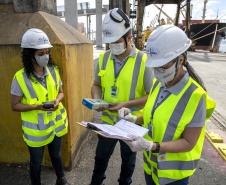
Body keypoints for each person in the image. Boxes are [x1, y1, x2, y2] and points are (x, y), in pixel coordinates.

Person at [118, 25, 216, 185]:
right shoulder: (159, 84)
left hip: (173, 177)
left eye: (162, 66)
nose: (157, 72)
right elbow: (155, 117)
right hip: (151, 168)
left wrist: (152, 146)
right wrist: (134, 119)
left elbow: (188, 143)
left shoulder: (196, 96)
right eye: (155, 67)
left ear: (180, 60)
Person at [90, 8, 154, 185]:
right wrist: (97, 100)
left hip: (130, 123)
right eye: (109, 43)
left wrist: (126, 104)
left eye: (116, 42)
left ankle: (124, 182)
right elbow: (96, 85)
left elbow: (151, 96)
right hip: (108, 122)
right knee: (100, 158)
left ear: (129, 38)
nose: (113, 47)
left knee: (128, 161)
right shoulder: (103, 59)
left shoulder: (144, 61)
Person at [10, 28, 70, 185]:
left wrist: (57, 100)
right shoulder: (20, 78)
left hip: (56, 125)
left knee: (56, 155)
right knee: (36, 162)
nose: (45, 56)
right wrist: (36, 107)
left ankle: (61, 179)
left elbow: (61, 93)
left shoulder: (54, 71)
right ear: (30, 55)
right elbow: (14, 105)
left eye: (47, 52)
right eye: (40, 54)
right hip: (36, 130)